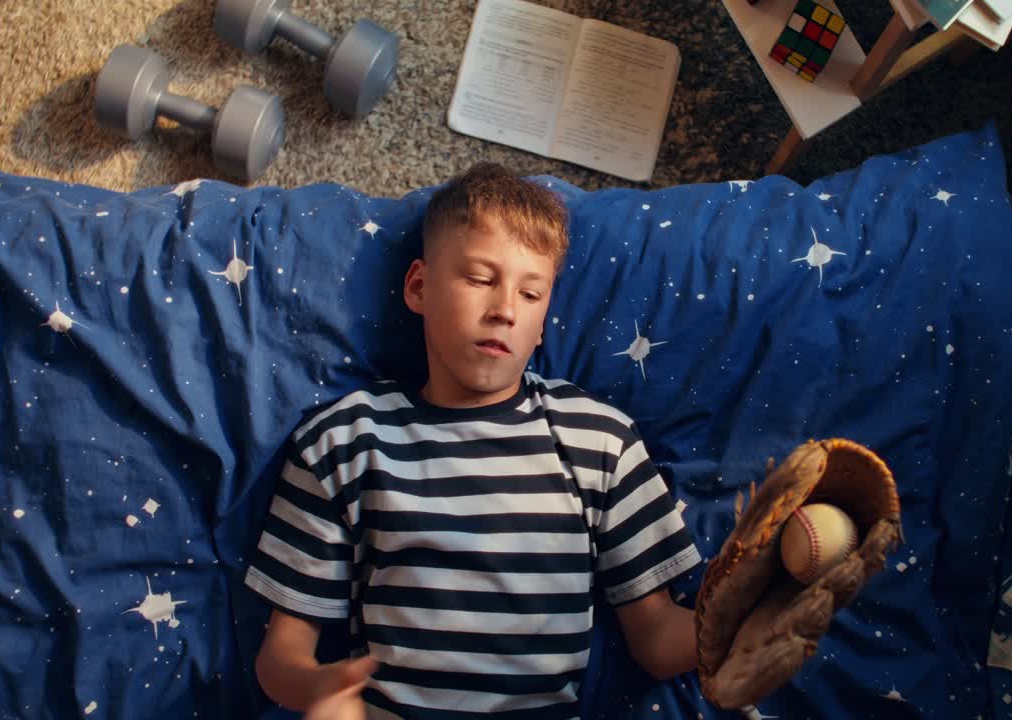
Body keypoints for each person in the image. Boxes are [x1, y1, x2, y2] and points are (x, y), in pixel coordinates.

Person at [243, 162, 702, 719]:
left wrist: (748, 624)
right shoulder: (343, 441)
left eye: (531, 294)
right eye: (481, 279)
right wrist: (318, 690)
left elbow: (655, 640)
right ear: (419, 287)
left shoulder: (598, 439)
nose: (505, 309)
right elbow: (280, 658)